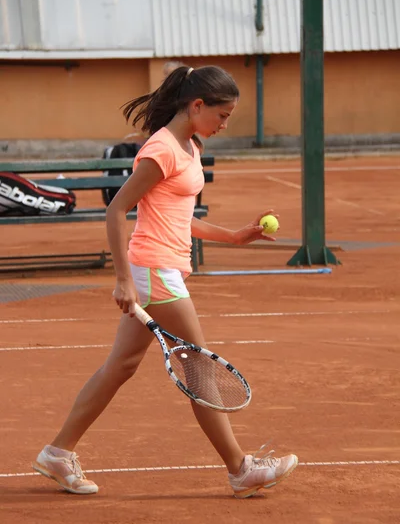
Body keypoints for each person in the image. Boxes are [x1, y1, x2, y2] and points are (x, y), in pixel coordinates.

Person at [32, 65, 298, 499]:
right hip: (153, 270)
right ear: (197, 106)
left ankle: (57, 453)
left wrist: (233, 236)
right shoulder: (161, 150)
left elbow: (179, 217)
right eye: (222, 114)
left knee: (121, 366)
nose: (225, 124)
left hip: (163, 267)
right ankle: (241, 469)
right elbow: (117, 210)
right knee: (200, 370)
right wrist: (123, 280)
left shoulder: (188, 145)